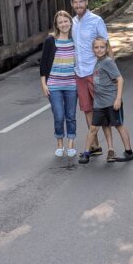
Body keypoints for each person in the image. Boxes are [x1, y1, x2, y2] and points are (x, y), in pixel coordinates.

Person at [78, 37, 133, 164]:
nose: (99, 50)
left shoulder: (108, 61)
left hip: (111, 102)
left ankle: (129, 152)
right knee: (93, 128)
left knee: (119, 126)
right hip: (99, 103)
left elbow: (120, 79)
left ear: (107, 48)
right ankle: (86, 153)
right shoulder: (98, 62)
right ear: (93, 49)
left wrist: (118, 99)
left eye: (102, 47)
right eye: (96, 47)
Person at [70, 0, 108, 156]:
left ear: (86, 2)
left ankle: (111, 147)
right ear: (72, 4)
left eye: (81, 1)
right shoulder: (73, 22)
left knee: (101, 106)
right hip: (79, 72)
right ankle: (95, 145)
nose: (78, 4)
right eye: (75, 2)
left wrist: (110, 68)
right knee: (87, 109)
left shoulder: (96, 20)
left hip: (95, 71)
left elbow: (106, 44)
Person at [39, 10, 78, 157]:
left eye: (66, 21)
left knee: (71, 115)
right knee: (59, 115)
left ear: (70, 22)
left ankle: (71, 144)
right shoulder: (51, 41)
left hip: (71, 84)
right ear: (56, 25)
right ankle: (59, 144)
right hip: (54, 84)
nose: (64, 24)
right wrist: (44, 84)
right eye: (60, 22)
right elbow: (43, 65)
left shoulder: (75, 39)